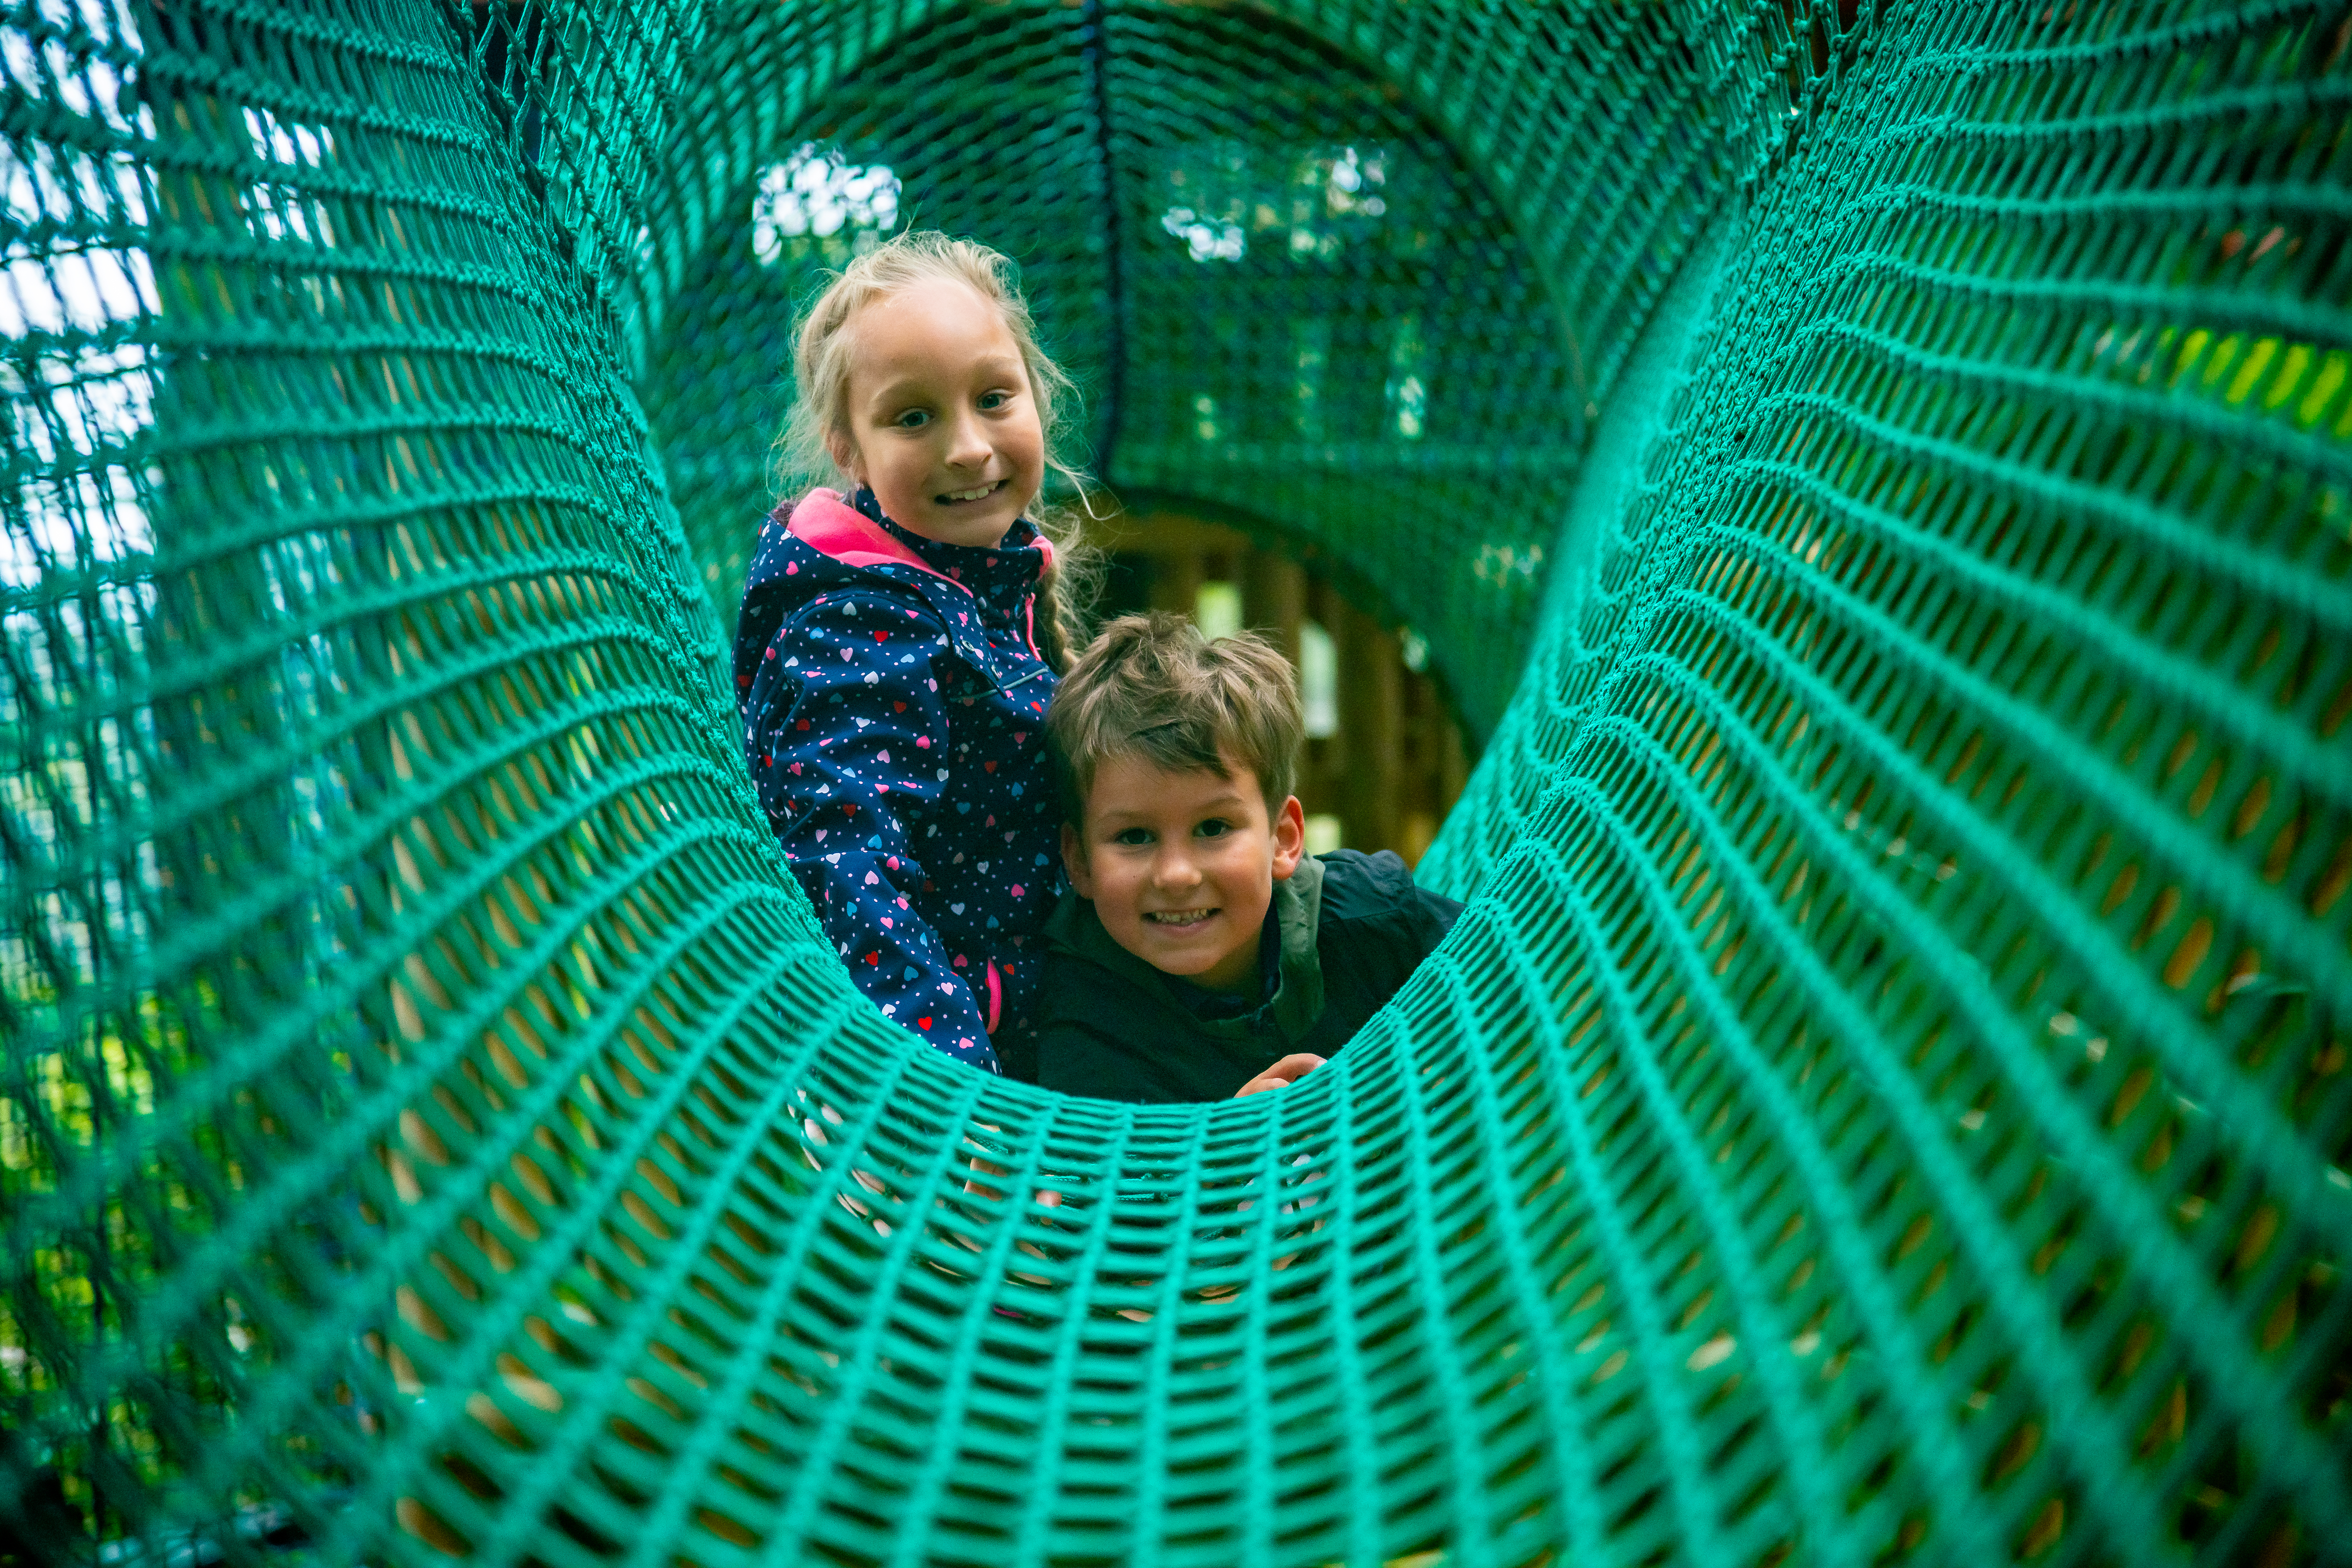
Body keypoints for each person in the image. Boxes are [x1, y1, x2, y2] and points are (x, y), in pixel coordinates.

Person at [734, 232, 1096, 1077]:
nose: (969, 448)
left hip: (1040, 1017)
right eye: (914, 417)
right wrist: (947, 1080)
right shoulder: (859, 624)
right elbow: (841, 859)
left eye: (995, 398)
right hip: (943, 1071)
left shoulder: (977, 583)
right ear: (849, 449)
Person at [1034, 613, 1463, 1102]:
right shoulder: (1088, 1008)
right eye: (1135, 837)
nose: (1177, 875)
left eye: (1213, 828)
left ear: (1283, 840)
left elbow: (1508, 988)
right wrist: (1231, 1141)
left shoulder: (1373, 915)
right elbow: (1112, 1168)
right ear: (1080, 863)